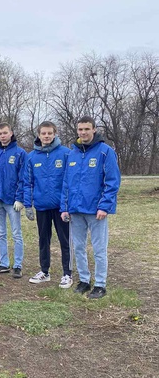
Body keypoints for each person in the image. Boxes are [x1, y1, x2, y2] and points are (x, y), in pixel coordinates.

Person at [60, 116, 121, 299]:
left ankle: (100, 284)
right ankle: (84, 281)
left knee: (99, 248)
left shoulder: (105, 152)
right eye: (80, 129)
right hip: (75, 210)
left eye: (87, 129)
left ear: (94, 129)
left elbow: (112, 181)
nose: (83, 132)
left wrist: (104, 206)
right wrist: (64, 207)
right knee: (78, 247)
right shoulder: (72, 154)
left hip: (96, 211)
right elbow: (66, 183)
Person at [24, 121, 73, 288]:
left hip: (61, 208)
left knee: (64, 240)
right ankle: (44, 271)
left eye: (49, 133)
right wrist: (27, 205)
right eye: (43, 133)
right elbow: (27, 182)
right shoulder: (31, 157)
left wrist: (67, 205)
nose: (46, 136)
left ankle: (67, 273)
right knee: (43, 239)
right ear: (38, 135)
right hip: (42, 206)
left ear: (55, 134)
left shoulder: (66, 154)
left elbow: (70, 181)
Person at [0, 122, 27, 277]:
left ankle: (18, 265)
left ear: (11, 133)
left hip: (12, 200)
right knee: (0, 233)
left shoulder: (20, 153)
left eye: (5, 133)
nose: (2, 136)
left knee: (16, 233)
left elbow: (23, 178)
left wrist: (20, 198)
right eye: (0, 133)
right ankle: (4, 263)